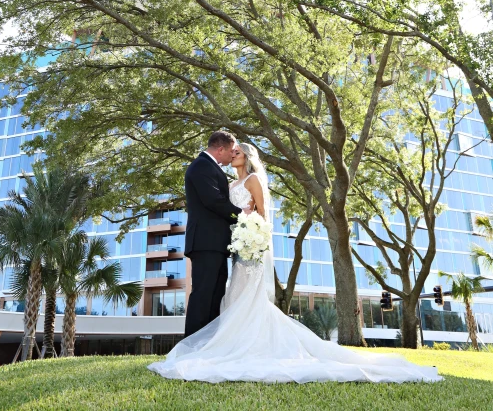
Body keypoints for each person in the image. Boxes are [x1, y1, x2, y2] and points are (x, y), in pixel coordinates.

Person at [149, 141, 442, 384]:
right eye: (232, 151)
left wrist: (252, 232)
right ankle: (220, 344)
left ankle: (240, 345)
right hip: (234, 247)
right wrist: (241, 222)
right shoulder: (229, 181)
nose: (233, 156)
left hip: (249, 246)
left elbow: (262, 216)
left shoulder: (252, 180)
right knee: (230, 298)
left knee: (241, 299)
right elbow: (223, 208)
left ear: (247, 157)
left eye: (237, 152)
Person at [182, 130, 244, 338]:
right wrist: (243, 215)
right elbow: (213, 201)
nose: (233, 155)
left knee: (215, 295)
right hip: (205, 242)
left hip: (215, 244)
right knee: (203, 294)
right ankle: (191, 344)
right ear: (220, 149)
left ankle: (207, 344)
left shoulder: (209, 167)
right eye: (231, 151)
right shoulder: (201, 166)